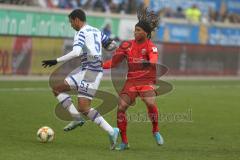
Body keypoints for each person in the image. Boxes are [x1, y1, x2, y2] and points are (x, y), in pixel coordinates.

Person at [41, 9, 119, 150]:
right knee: (57, 89)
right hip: (87, 70)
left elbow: (76, 52)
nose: (71, 25)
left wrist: (55, 60)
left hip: (91, 72)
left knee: (84, 107)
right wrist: (106, 48)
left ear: (77, 20)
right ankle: (77, 118)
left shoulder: (80, 33)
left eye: (71, 22)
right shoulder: (96, 31)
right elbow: (112, 45)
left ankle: (111, 131)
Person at [103, 7, 164, 151]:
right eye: (135, 30)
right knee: (121, 108)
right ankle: (124, 142)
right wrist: (101, 65)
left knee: (149, 102)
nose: (135, 32)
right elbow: (114, 62)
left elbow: (154, 59)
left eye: (139, 30)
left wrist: (149, 62)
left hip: (146, 80)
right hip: (131, 81)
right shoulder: (126, 45)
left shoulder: (151, 46)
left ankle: (155, 130)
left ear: (146, 33)